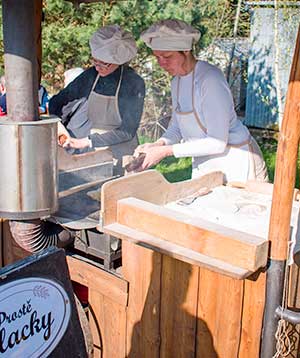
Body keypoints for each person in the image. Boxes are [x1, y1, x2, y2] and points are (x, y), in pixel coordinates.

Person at [134, 19, 268, 183]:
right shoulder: (176, 81)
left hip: (236, 161)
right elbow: (176, 127)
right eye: (157, 57)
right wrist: (158, 144)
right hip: (205, 162)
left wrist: (166, 151)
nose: (162, 63)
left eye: (167, 56)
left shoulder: (209, 79)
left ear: (186, 50)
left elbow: (217, 143)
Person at [49, 24, 145, 173]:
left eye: (104, 63)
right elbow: (57, 103)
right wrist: (59, 127)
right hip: (89, 155)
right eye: (95, 61)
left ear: (119, 61)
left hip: (120, 154)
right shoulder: (90, 75)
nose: (98, 67)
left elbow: (127, 131)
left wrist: (87, 142)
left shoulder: (133, 83)